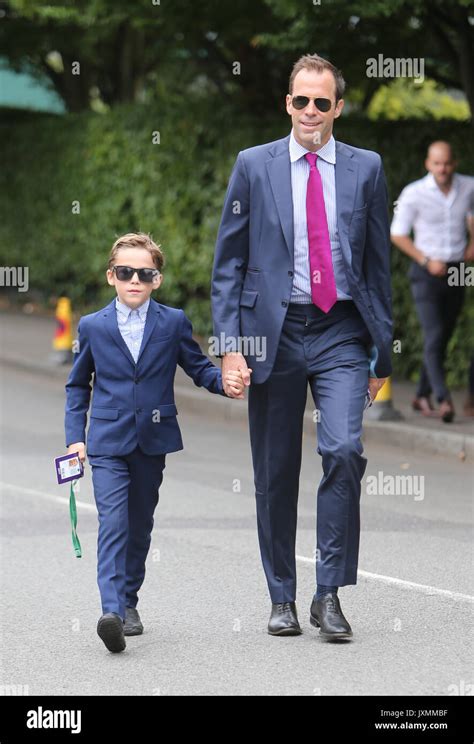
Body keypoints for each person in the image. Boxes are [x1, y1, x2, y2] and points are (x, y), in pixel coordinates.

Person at [212, 54, 392, 641]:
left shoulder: (366, 169)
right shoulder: (253, 166)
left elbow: (378, 269)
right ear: (286, 103)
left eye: (321, 102)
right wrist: (232, 346)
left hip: (342, 330)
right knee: (275, 469)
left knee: (342, 451)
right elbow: (229, 266)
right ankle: (282, 597)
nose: (309, 112)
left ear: (338, 106)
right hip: (273, 332)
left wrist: (381, 355)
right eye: (299, 101)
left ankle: (329, 594)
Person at [65, 232, 245, 653]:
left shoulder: (173, 322)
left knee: (140, 525)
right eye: (125, 272)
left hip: (153, 440)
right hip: (107, 441)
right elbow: (78, 387)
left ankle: (128, 603)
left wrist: (227, 383)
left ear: (156, 280)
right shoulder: (92, 326)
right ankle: (110, 611)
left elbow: (200, 369)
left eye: (144, 274)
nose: (134, 281)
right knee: (113, 522)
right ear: (111, 276)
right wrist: (75, 440)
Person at [391, 141, 474, 422]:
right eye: (437, 164)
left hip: (457, 270)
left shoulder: (468, 187)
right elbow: (398, 233)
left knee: (443, 336)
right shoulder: (414, 193)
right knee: (435, 334)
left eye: (447, 163)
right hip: (426, 273)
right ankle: (443, 398)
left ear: (455, 162)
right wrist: (426, 260)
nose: (442, 169)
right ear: (428, 164)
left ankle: (419, 395)